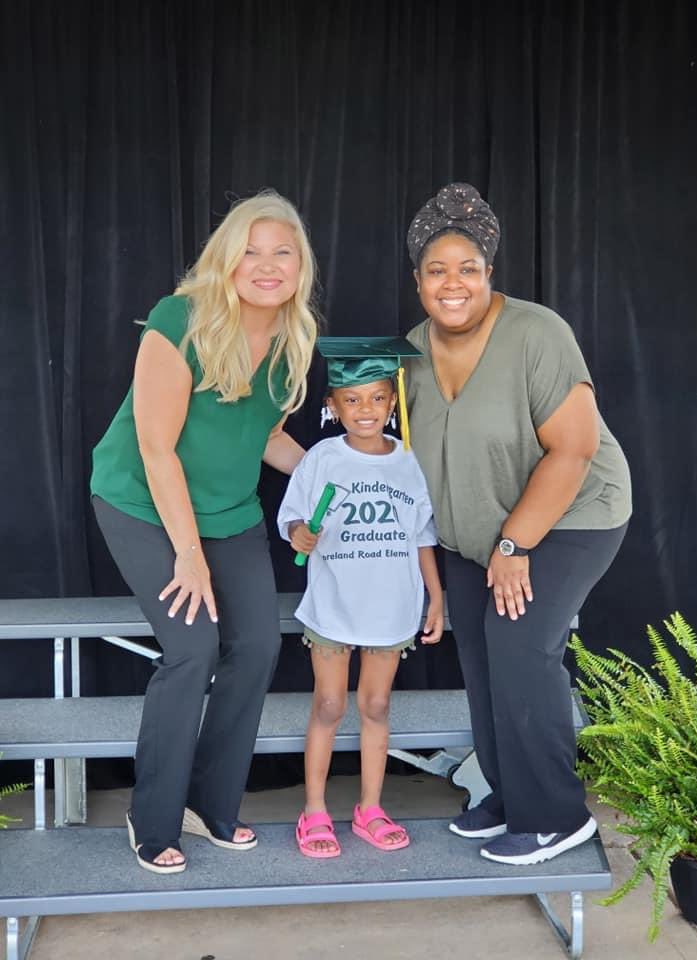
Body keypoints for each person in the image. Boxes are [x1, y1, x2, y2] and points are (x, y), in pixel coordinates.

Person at [403, 183, 632, 866]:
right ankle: (508, 795)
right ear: (417, 280)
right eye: (437, 270)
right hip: (476, 536)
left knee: (520, 643)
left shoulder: (538, 333)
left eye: (468, 269)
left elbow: (575, 448)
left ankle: (556, 815)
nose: (453, 284)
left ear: (489, 275)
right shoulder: (410, 350)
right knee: (480, 654)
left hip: (569, 517)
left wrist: (515, 543)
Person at [90, 190, 318, 873]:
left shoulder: (290, 338)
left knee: (254, 648)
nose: (267, 265)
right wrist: (188, 556)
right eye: (250, 251)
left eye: (282, 252)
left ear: (301, 266)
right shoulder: (179, 320)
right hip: (142, 502)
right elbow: (157, 450)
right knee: (193, 648)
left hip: (229, 509)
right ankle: (152, 815)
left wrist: (331, 475)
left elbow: (266, 436)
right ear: (226, 259)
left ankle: (210, 800)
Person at [277, 339, 444, 857]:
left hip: (391, 607)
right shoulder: (322, 460)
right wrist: (301, 535)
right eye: (352, 400)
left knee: (375, 704)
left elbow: (422, 536)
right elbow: (294, 523)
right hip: (335, 606)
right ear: (332, 406)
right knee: (329, 705)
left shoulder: (411, 463)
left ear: (393, 404)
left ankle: (370, 808)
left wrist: (435, 598)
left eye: (376, 398)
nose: (365, 410)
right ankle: (315, 811)